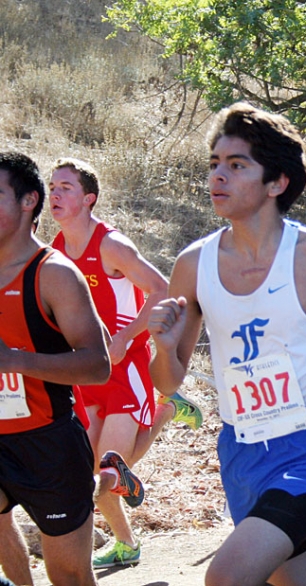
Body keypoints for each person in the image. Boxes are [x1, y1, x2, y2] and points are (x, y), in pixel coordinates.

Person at [147, 102, 306, 586]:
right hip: (240, 452)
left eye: (237, 165)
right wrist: (162, 349)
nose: (218, 176)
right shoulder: (193, 264)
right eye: (214, 164)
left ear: (277, 182)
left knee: (226, 576)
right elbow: (168, 381)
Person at [48, 157, 204, 568]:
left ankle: (167, 409)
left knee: (108, 473)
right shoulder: (56, 248)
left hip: (124, 366)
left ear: (88, 199)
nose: (55, 194)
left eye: (65, 187)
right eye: (51, 187)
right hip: (86, 370)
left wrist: (122, 339)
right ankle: (127, 544)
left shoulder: (111, 244)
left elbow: (161, 288)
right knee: (92, 477)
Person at [0, 151, 111, 585]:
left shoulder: (54, 274)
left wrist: (15, 361)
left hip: (48, 443)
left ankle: (99, 479)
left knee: (68, 576)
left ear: (29, 202)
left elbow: (98, 364)